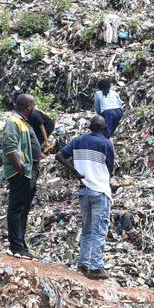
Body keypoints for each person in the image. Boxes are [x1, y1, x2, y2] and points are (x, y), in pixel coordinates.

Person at [56, 115, 115, 280]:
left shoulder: (78, 140)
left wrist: (74, 171)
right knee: (99, 229)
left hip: (84, 190)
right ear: (103, 129)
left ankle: (83, 263)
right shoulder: (106, 143)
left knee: (87, 229)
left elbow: (59, 156)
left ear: (90, 127)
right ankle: (96, 267)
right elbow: (110, 167)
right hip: (100, 190)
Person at [0, 93, 38, 258]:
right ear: (28, 106)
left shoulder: (22, 122)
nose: (34, 108)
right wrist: (20, 167)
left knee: (24, 208)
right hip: (20, 173)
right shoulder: (13, 121)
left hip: (28, 172)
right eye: (33, 105)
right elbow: (9, 145)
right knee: (17, 209)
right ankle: (16, 246)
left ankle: (21, 245)